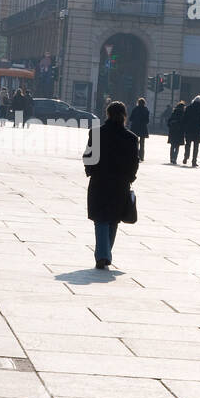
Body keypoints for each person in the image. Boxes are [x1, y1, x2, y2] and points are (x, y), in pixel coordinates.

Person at [84, 100, 139, 271]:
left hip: (99, 181)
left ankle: (102, 255)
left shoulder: (97, 133)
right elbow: (134, 162)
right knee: (113, 219)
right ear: (125, 115)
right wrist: (130, 177)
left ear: (107, 114)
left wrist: (91, 171)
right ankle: (105, 255)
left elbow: (88, 156)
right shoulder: (131, 138)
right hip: (120, 184)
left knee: (100, 219)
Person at [182, 95, 200, 166]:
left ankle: (186, 157)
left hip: (189, 129)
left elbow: (184, 118)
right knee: (196, 146)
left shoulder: (188, 108)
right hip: (197, 130)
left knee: (188, 144)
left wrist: (184, 126)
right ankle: (194, 161)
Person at [129, 96, 151, 162]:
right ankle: (141, 156)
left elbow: (130, 118)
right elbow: (147, 121)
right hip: (143, 128)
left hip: (135, 128)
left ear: (138, 103)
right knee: (142, 143)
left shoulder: (135, 109)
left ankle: (135, 155)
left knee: (135, 142)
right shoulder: (146, 110)